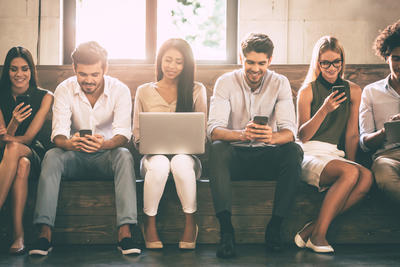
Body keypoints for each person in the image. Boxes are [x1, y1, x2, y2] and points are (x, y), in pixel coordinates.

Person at [29, 41, 140, 256]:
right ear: (74, 69)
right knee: (52, 156)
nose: (88, 80)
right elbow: (58, 134)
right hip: (75, 155)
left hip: (107, 156)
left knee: (124, 156)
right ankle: (44, 234)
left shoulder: (120, 90)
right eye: (83, 74)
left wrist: (104, 144)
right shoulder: (64, 89)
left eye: (94, 74)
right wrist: (70, 143)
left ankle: (125, 233)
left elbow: (123, 135)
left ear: (105, 70)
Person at [207, 33, 303, 258]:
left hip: (266, 156)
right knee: (218, 148)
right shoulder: (225, 82)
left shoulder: (280, 83)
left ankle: (275, 227)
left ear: (270, 61)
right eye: (250, 62)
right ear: (242, 59)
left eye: (261, 63)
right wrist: (242, 134)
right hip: (235, 157)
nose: (255, 69)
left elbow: (290, 132)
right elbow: (213, 130)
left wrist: (270, 137)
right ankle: (226, 231)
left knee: (294, 151)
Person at [295, 36, 373, 253]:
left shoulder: (354, 91)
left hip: (334, 155)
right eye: (325, 62)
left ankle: (313, 227)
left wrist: (352, 164)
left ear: (342, 62)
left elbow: (351, 134)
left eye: (336, 62)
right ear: (317, 63)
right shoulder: (307, 91)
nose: (331, 68)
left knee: (365, 177)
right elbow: (302, 136)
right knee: (349, 174)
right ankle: (318, 236)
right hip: (309, 153)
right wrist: (324, 110)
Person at [133, 38, 207, 250]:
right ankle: (149, 223)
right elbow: (137, 135)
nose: (172, 66)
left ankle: (191, 223)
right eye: (168, 60)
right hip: (152, 158)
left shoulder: (196, 90)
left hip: (187, 157)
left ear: (186, 65)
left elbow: (201, 134)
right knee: (160, 165)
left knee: (181, 163)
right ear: (159, 61)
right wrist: (148, 145)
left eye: (178, 62)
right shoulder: (144, 91)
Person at [0, 47, 53, 255]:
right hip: (6, 154)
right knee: (21, 164)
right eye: (13, 69)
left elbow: (29, 138)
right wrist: (13, 122)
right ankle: (18, 236)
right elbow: (3, 139)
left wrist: (9, 135)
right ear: (7, 71)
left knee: (18, 150)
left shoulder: (45, 96)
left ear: (31, 70)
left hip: (34, 151)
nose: (19, 74)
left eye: (24, 68)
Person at [359, 20, 400, 203]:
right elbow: (364, 143)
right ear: (386, 57)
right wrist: (386, 131)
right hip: (387, 158)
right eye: (396, 58)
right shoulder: (371, 92)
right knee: (383, 174)